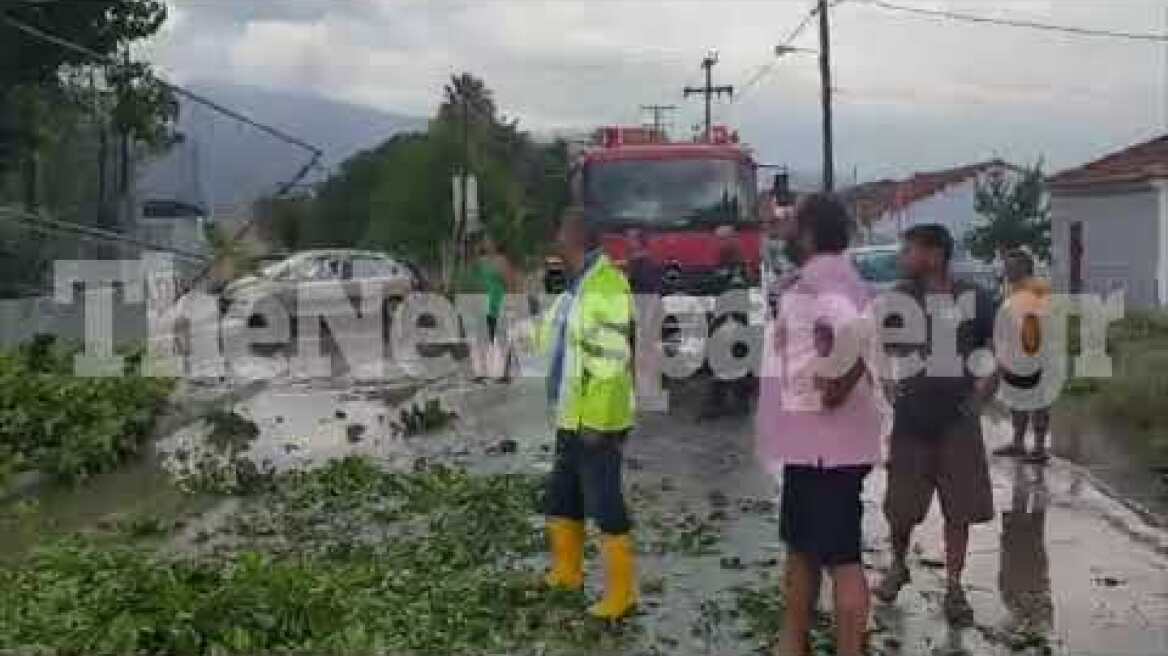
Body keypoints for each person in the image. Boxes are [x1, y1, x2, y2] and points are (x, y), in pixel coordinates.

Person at [756, 194, 881, 656]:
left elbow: (858, 334)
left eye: (792, 224)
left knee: (842, 559)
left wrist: (836, 383)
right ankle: (793, 642)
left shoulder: (824, 279)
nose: (785, 233)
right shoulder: (821, 277)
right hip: (811, 447)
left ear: (809, 232)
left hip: (829, 450)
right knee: (802, 548)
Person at [876, 224, 997, 626]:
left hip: (959, 422)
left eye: (909, 249)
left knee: (958, 510)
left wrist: (981, 394)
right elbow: (879, 344)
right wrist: (886, 380)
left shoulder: (974, 298)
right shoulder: (900, 297)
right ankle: (898, 565)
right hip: (912, 420)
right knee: (900, 507)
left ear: (934, 254)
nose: (903, 257)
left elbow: (995, 349)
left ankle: (955, 587)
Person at [540, 207, 638, 621]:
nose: (555, 241)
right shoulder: (576, 286)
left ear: (576, 237)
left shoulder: (606, 284)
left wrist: (597, 424)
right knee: (563, 498)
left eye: (560, 232)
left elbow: (612, 363)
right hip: (571, 416)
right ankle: (567, 574)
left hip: (597, 422)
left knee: (605, 504)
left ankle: (622, 594)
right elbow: (563, 342)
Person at [993, 248, 1053, 464]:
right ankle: (1018, 443)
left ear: (1025, 268)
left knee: (1038, 399)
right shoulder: (1012, 289)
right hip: (1016, 353)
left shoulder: (1037, 288)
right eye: (1006, 267)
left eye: (1012, 267)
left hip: (1035, 353)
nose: (1007, 271)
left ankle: (1039, 448)